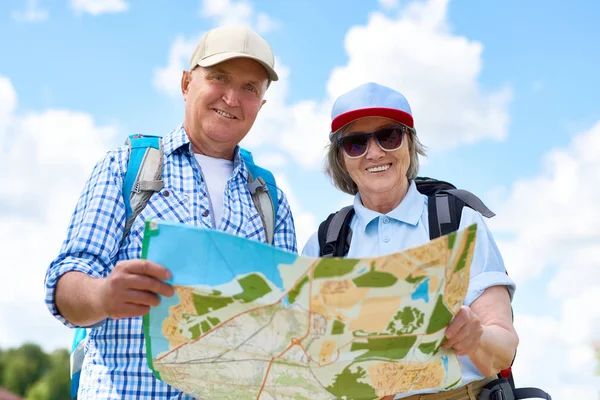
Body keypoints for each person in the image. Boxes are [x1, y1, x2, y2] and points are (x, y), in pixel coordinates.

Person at [44, 25, 297, 399]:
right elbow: (64, 284)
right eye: (219, 78)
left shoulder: (271, 200)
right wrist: (102, 296)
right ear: (185, 83)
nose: (231, 98)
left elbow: (286, 329)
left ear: (261, 103)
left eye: (249, 88)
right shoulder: (124, 168)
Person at [302, 82, 518, 400]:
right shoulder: (324, 244)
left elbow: (504, 350)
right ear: (341, 158)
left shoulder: (458, 221)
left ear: (409, 143)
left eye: (389, 136)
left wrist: (477, 336)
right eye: (355, 143)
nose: (374, 152)